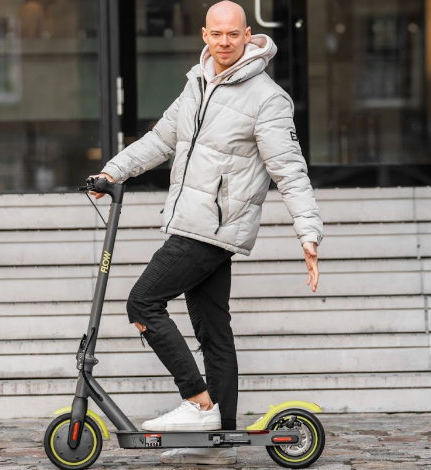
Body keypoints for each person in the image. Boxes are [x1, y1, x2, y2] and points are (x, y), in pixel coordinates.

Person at [88, 1, 322, 465]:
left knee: (143, 302)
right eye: (216, 34)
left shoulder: (266, 98)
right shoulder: (196, 83)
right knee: (214, 329)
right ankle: (224, 425)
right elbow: (161, 139)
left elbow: (289, 171)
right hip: (194, 221)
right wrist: (113, 173)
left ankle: (198, 403)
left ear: (247, 34)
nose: (224, 42)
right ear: (204, 35)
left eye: (232, 34)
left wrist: (307, 231)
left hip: (210, 228)